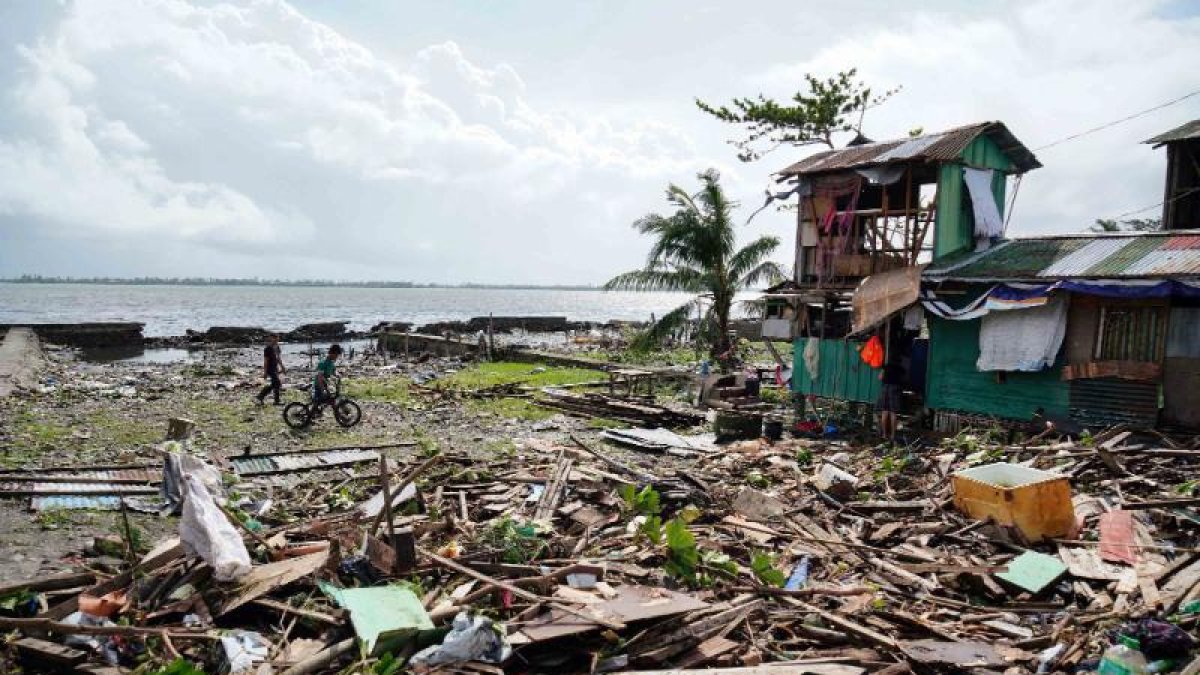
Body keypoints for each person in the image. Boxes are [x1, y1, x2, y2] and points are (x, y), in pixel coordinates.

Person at [877, 359, 905, 441]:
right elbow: (903, 380)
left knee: (884, 412)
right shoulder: (901, 368)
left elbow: (880, 377)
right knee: (893, 413)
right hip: (895, 388)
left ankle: (885, 435)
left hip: (885, 388)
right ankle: (893, 435)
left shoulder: (886, 366)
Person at [255, 335, 286, 405]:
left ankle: (264, 398)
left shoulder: (277, 347)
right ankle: (261, 396)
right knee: (277, 382)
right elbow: (266, 361)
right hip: (270, 368)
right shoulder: (267, 349)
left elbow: (278, 358)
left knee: (276, 384)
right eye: (274, 338)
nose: (275, 339)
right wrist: (265, 372)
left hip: (275, 368)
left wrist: (282, 367)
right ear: (271, 338)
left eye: (277, 337)